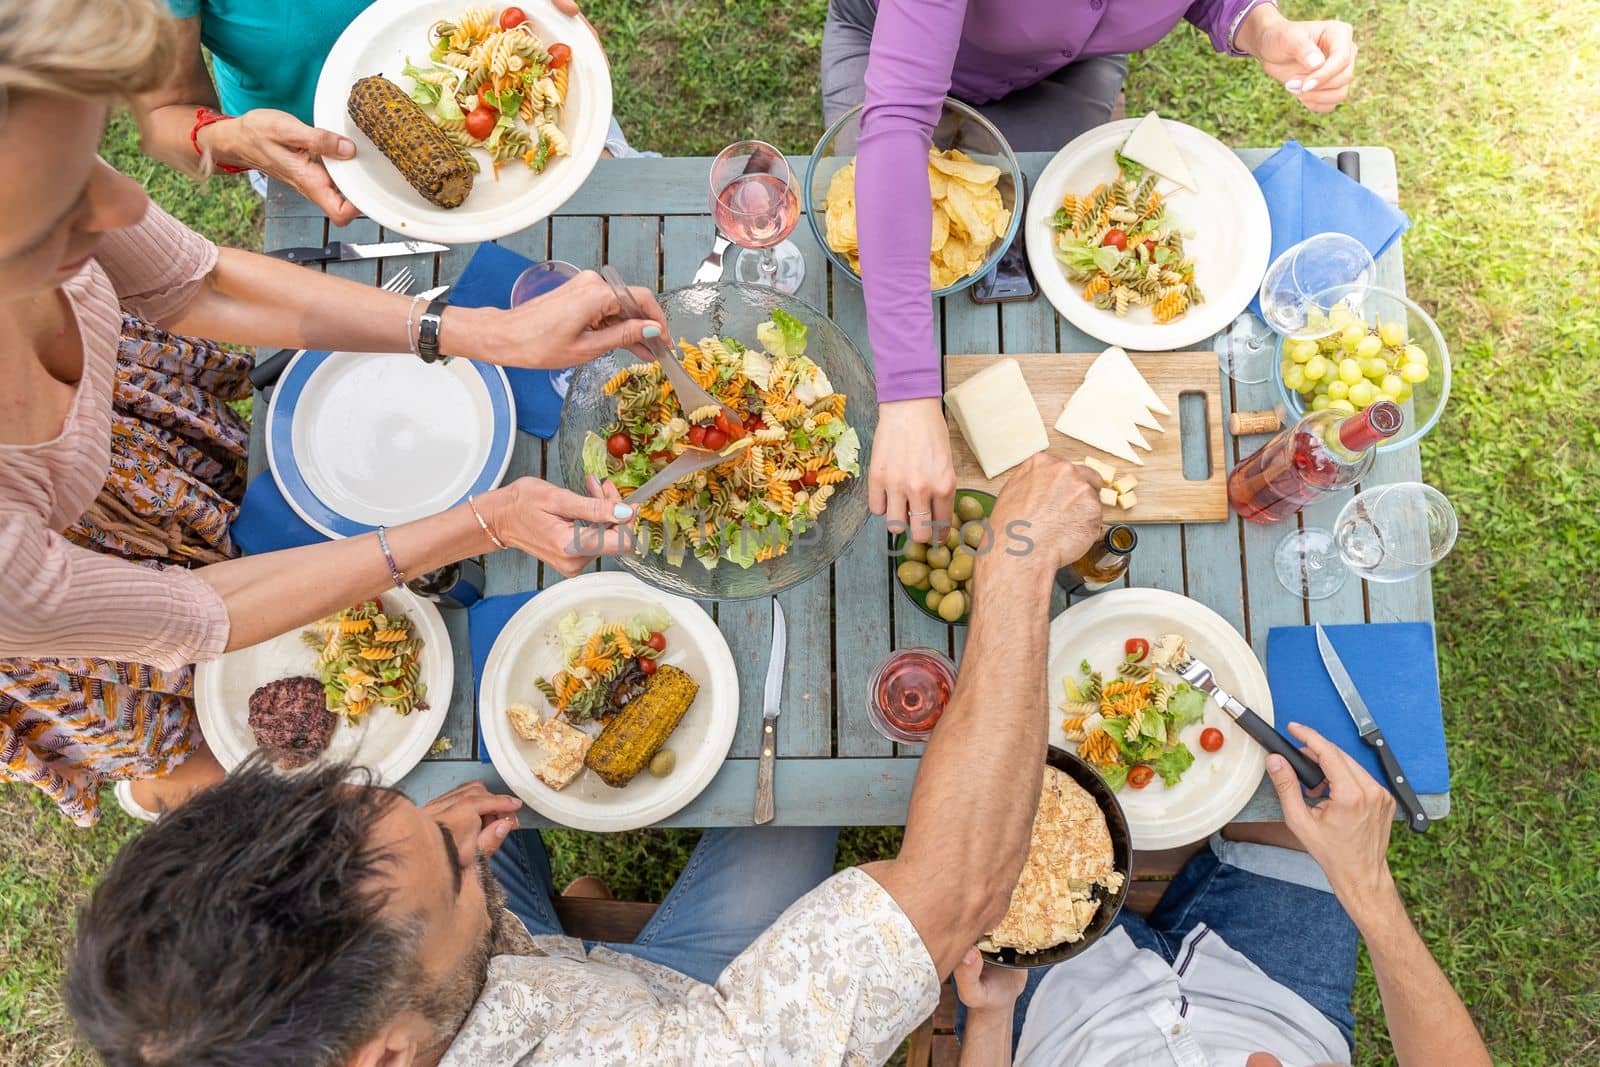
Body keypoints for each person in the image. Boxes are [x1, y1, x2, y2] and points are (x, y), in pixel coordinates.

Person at [65, 454, 1106, 1064]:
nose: (457, 824)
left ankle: (564, 904)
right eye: (454, 865)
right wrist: (1013, 563)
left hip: (544, 975)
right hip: (690, 1008)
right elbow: (954, 887)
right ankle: (584, 907)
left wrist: (461, 877)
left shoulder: (225, 1010)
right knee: (799, 805)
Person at [0, 0, 661, 825]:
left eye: (91, 160)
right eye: (60, 212)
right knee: (193, 710)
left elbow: (194, 283)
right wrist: (486, 521)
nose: (126, 208)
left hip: (132, 447)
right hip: (59, 589)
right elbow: (207, 612)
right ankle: (155, 781)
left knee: (242, 499)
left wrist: (483, 332)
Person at [820, 0, 1359, 544]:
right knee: (865, 236)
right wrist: (909, 400)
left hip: (1066, 74)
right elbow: (896, 121)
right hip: (886, 57)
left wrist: (1257, 26)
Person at [951, 725, 1493, 1067]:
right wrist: (1367, 884)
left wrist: (994, 1016)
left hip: (1061, 1015)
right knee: (1306, 769)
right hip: (1281, 999)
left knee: (993, 788)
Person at [138, 0, 646, 222]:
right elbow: (163, 116)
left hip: (491, 85)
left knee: (625, 214)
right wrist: (231, 140)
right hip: (312, 154)